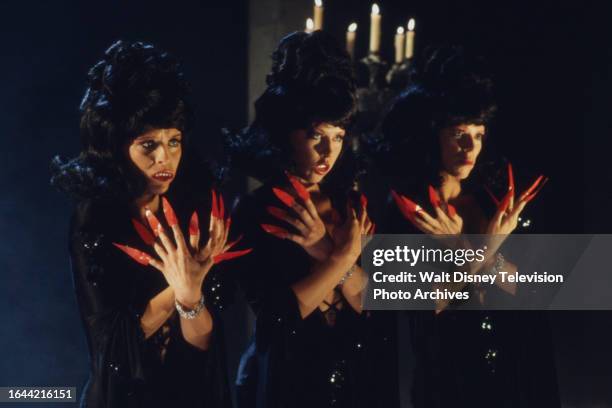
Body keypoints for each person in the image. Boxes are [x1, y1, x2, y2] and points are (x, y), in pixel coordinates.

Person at [367, 46, 558, 408]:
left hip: (516, 366)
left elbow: (530, 289)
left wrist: (467, 250)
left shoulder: (499, 202)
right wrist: (482, 253)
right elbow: (425, 306)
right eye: (458, 134)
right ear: (433, 135)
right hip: (446, 374)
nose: (471, 147)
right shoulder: (407, 212)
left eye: (479, 134)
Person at [51, 40, 238, 408]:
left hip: (198, 395)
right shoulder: (94, 223)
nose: (165, 157)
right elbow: (113, 351)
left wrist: (342, 259)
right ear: (118, 147)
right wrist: (183, 289)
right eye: (148, 145)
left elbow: (207, 346)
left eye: (174, 142)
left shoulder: (201, 214)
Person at [223, 31, 398, 408]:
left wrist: (328, 251)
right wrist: (340, 257)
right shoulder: (254, 210)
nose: (327, 151)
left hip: (361, 381)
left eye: (337, 136)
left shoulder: (352, 204)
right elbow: (277, 319)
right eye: (315, 134)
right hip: (289, 383)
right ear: (287, 132)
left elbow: (378, 306)